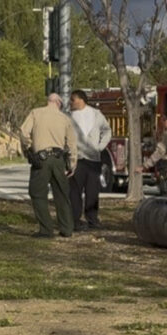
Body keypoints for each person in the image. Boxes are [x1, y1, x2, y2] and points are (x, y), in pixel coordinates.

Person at [20, 93, 78, 238]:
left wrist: (28, 149)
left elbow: (23, 132)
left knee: (38, 193)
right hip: (58, 159)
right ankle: (66, 228)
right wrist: (72, 164)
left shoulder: (36, 113)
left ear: (49, 102)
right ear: (59, 103)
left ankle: (46, 229)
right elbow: (72, 143)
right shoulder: (65, 119)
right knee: (62, 194)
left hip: (41, 159)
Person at [68, 90, 112, 231]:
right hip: (76, 159)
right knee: (74, 191)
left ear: (81, 100)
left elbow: (107, 130)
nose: (70, 102)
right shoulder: (68, 116)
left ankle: (92, 219)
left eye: (72, 99)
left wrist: (99, 147)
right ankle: (75, 220)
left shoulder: (96, 114)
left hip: (93, 159)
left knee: (92, 191)